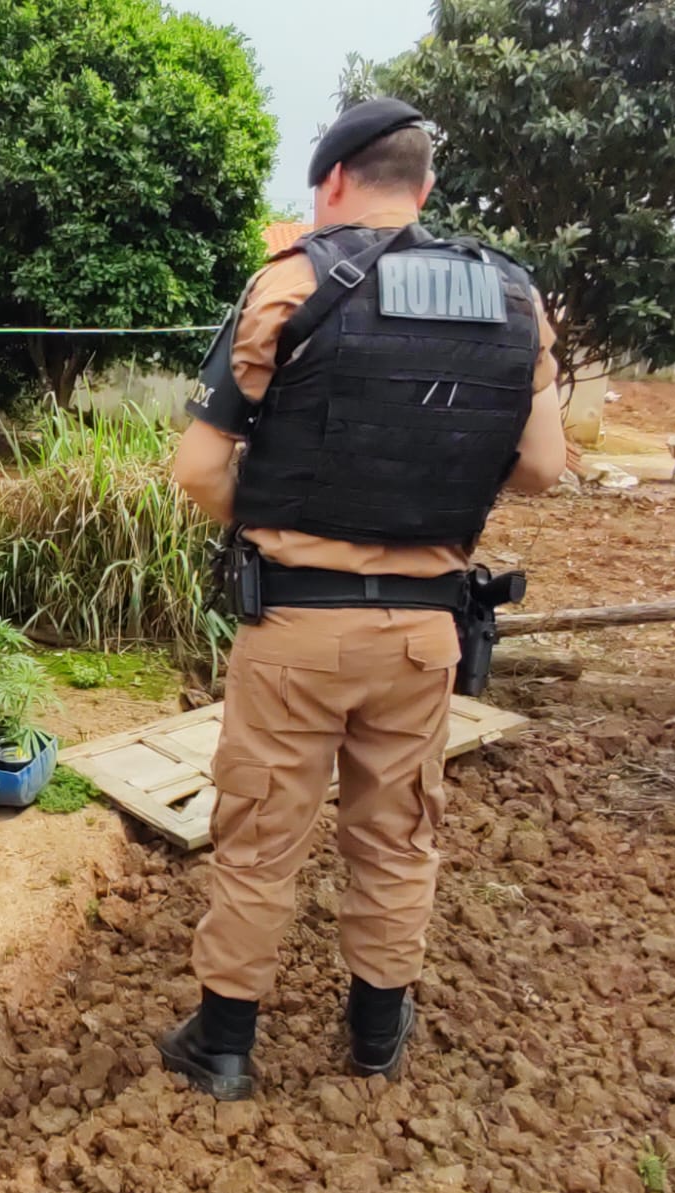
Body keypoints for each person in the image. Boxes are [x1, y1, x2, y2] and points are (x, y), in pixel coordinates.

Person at [159, 99, 568, 1098]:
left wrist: (284, 519)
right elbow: (543, 466)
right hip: (426, 631)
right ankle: (377, 1037)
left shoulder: (289, 285)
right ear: (423, 190)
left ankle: (222, 1047)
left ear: (332, 183)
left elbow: (198, 469)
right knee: (398, 832)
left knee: (260, 834)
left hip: (296, 625)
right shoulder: (515, 299)